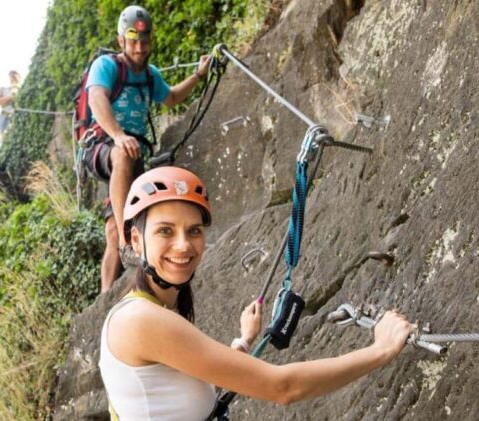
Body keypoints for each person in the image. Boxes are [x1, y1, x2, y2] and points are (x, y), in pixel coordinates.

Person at [99, 166, 415, 420]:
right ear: (136, 240)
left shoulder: (153, 310)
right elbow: (283, 388)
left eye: (194, 231)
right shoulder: (140, 320)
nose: (183, 245)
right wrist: (381, 349)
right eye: (165, 231)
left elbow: (196, 379)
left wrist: (244, 341)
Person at [82, 5, 212, 293]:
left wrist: (198, 75)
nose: (140, 48)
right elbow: (96, 99)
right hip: (103, 144)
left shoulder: (150, 76)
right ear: (121, 41)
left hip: (133, 153)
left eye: (144, 41)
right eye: (133, 42)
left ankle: (105, 297)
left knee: (112, 229)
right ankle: (127, 242)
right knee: (122, 157)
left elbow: (172, 97)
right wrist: (118, 135)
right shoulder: (106, 66)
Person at [0, 70, 21, 139]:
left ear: (20, 77)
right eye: (11, 75)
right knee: (6, 139)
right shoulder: (3, 89)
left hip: (19, 116)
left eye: (14, 74)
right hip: (6, 117)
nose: (13, 76)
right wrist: (10, 97)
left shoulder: (24, 89)